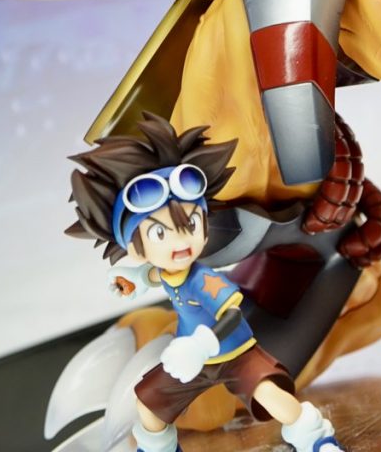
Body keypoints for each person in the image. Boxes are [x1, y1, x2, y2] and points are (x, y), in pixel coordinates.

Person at [68, 113, 347, 452]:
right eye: (160, 233)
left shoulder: (202, 279)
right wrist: (137, 279)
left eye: (190, 223)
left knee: (273, 397)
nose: (180, 240)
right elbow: (158, 276)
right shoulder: (170, 273)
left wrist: (200, 345)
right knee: (149, 407)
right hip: (193, 362)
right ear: (136, 249)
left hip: (234, 353)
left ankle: (317, 439)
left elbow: (231, 315)